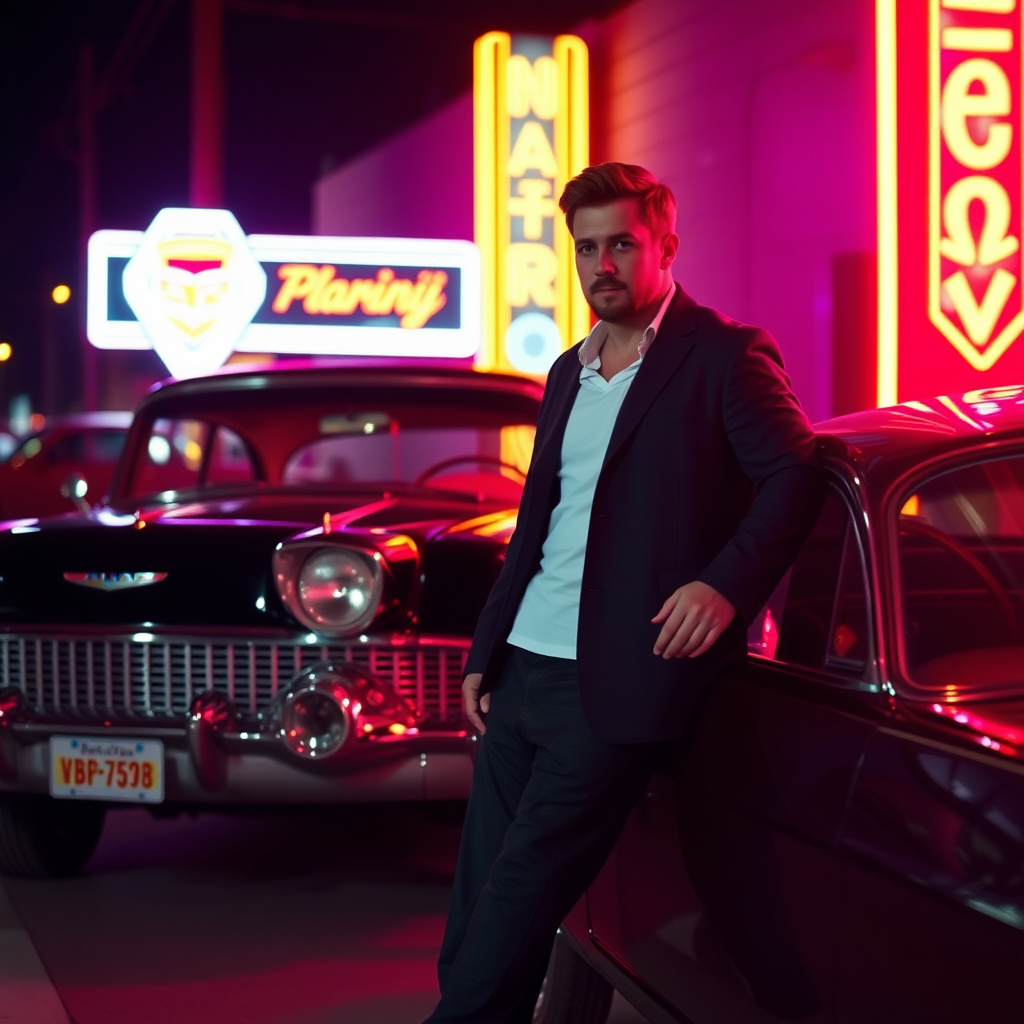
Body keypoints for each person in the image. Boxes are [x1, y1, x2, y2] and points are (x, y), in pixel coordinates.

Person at [421, 162, 824, 1024]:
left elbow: (794, 474)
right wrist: (486, 650)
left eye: (621, 245)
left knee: (523, 887)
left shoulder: (725, 356)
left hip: (615, 683)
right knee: (479, 895)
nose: (602, 263)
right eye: (586, 247)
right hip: (523, 669)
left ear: (666, 246)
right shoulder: (570, 369)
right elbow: (539, 518)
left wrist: (723, 586)